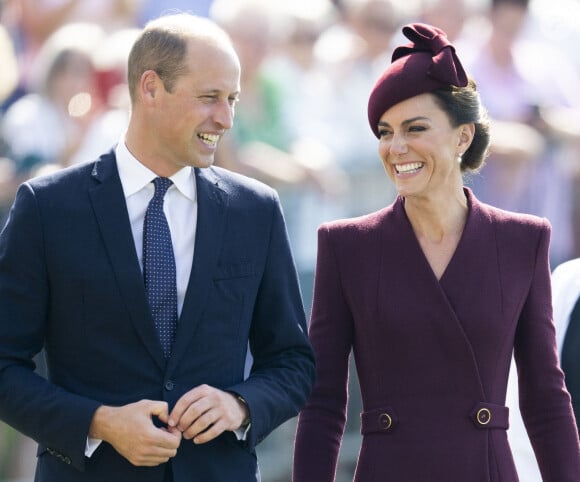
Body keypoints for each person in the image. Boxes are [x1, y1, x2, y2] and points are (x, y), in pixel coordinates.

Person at [0, 12, 315, 482]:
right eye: (209, 98)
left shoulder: (256, 211)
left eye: (232, 99)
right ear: (150, 88)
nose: (226, 119)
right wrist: (98, 423)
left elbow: (292, 363)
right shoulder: (47, 209)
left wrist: (239, 405)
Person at [293, 22, 580, 481]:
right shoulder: (346, 245)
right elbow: (324, 403)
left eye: (416, 128)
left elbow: (546, 397)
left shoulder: (523, 240)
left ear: (463, 137)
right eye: (385, 132)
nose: (396, 147)